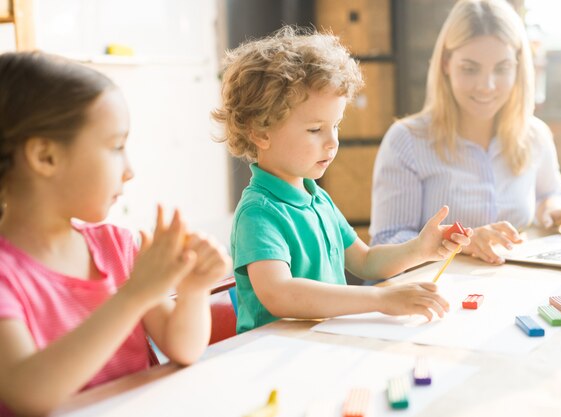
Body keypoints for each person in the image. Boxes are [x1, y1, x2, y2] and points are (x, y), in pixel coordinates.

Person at [0, 52, 231, 416]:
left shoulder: (114, 246)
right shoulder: (6, 275)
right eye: (116, 147)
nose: (130, 171)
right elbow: (29, 393)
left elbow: (183, 348)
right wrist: (134, 295)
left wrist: (193, 291)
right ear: (45, 157)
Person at [212, 27, 472, 334]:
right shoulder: (258, 213)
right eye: (314, 129)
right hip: (273, 355)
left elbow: (367, 262)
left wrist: (420, 249)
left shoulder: (316, 198)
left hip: (321, 344)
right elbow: (280, 294)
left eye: (335, 125)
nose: (332, 142)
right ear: (261, 132)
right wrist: (380, 298)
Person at [370, 0, 561, 265]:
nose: (486, 86)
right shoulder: (406, 141)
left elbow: (550, 193)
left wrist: (555, 209)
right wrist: (461, 241)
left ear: (518, 67)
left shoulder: (534, 134)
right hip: (437, 297)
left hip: (514, 286)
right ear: (445, 64)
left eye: (501, 68)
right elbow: (385, 243)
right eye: (470, 68)